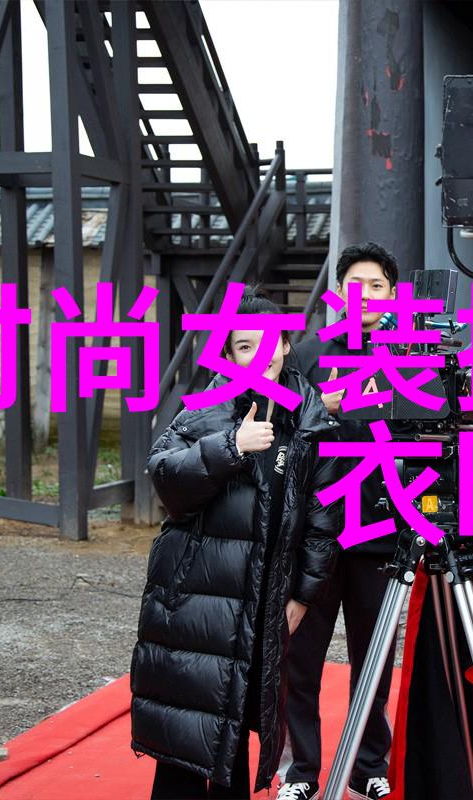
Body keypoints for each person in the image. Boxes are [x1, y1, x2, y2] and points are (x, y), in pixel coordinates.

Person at [129, 288, 343, 799]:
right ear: (229, 355)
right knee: (186, 734)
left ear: (286, 344)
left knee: (237, 734)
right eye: (245, 346)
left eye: (270, 341)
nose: (261, 353)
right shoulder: (206, 409)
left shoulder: (310, 418)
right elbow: (164, 479)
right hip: (196, 602)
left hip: (262, 603)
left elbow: (324, 515)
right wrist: (231, 447)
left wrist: (303, 593)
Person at [279, 242, 401, 800]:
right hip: (316, 534)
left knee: (373, 660)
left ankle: (368, 766)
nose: (366, 295)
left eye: (377, 285)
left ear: (394, 295)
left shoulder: (412, 354)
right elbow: (282, 432)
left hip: (382, 530)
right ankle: (300, 771)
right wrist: (319, 408)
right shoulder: (308, 354)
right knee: (300, 659)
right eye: (355, 284)